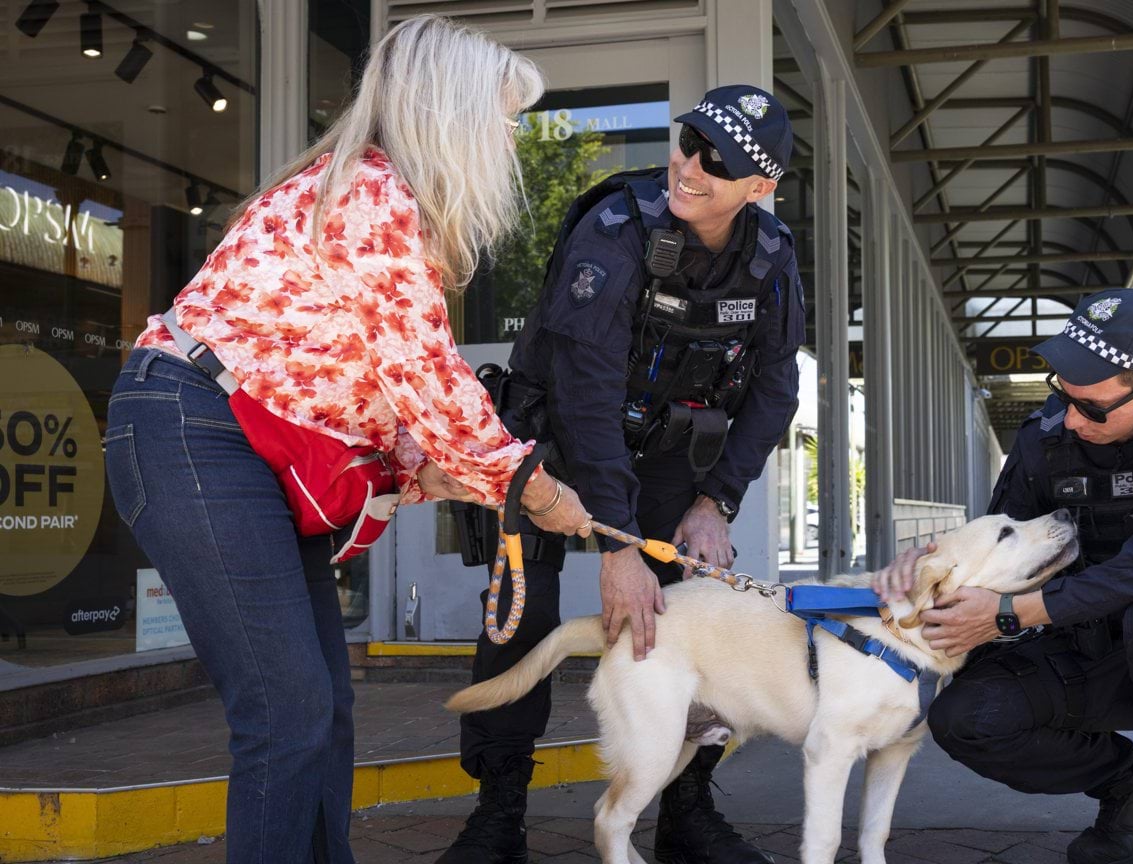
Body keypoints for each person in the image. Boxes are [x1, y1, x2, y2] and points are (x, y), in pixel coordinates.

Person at [103, 17, 591, 862]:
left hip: (221, 436)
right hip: (195, 430)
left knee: (319, 707)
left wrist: (448, 472)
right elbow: (430, 381)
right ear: (454, 113)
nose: (511, 138)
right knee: (288, 713)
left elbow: (371, 391)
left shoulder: (363, 193)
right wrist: (535, 490)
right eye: (506, 118)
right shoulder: (375, 198)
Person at [438, 85, 804, 864]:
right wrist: (619, 548)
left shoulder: (771, 258)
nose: (691, 165)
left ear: (759, 187)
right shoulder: (616, 231)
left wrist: (716, 501)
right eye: (690, 140)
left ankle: (686, 806)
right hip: (559, 446)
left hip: (672, 457)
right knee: (521, 620)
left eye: (720, 160)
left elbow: (776, 389)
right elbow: (586, 394)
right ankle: (498, 812)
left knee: (695, 623)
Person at [872, 289, 1133, 864]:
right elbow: (997, 545)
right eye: (1062, 391)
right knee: (966, 718)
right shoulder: (1046, 434)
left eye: (1091, 406)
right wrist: (923, 569)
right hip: (1084, 646)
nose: (1069, 415)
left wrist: (1023, 612)